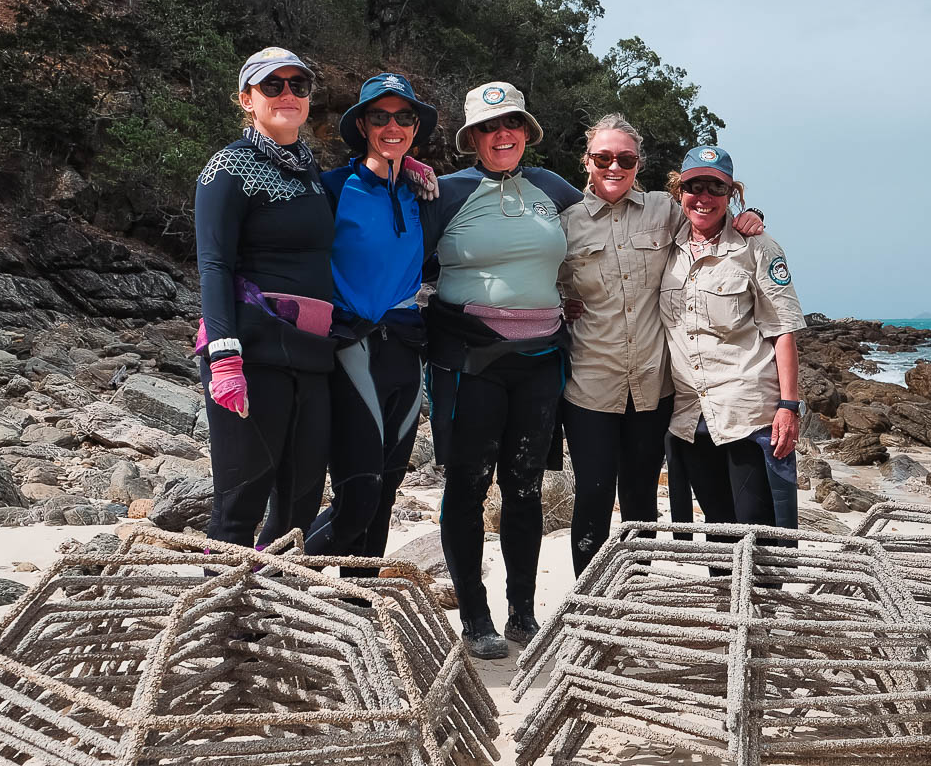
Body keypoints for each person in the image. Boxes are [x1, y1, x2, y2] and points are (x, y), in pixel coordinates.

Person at [558, 115, 764, 576]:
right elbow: (544, 284)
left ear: (639, 164)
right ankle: (589, 600)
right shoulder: (565, 224)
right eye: (603, 157)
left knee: (641, 497)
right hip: (590, 383)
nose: (615, 166)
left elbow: (708, 212)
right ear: (586, 162)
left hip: (653, 384)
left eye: (626, 158)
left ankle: (638, 590)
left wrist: (753, 216)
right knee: (592, 494)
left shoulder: (662, 209)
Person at [423, 81, 582, 659]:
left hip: (541, 359)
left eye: (512, 123)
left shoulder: (551, 187)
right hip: (470, 360)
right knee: (466, 486)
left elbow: (614, 217)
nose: (502, 134)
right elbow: (393, 243)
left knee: (525, 487)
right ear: (472, 138)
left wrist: (743, 216)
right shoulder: (444, 191)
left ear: (526, 131)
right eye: (490, 127)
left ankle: (521, 614)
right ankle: (474, 618)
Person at [194, 47, 335, 550]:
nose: (287, 94)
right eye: (271, 86)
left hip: (311, 354)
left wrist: (409, 169)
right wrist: (224, 355)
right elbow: (213, 264)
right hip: (252, 351)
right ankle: (219, 620)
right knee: (239, 505)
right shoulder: (229, 167)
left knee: (299, 506)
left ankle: (271, 613)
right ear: (246, 100)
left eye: (298, 85)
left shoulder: (312, 172)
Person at [300, 73, 439, 572]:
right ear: (362, 124)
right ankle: (268, 576)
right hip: (351, 346)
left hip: (404, 348)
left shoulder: (425, 195)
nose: (392, 125)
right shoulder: (334, 187)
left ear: (416, 127)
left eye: (404, 117)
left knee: (386, 491)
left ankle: (358, 610)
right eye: (379, 117)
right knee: (357, 494)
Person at [659, 145, 805, 540]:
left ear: (731, 193)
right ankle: (726, 600)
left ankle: (761, 603)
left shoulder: (757, 247)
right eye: (694, 186)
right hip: (691, 416)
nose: (704, 197)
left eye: (716, 188)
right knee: (718, 532)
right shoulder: (664, 245)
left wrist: (789, 407)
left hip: (747, 412)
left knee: (759, 534)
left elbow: (783, 330)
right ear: (679, 191)